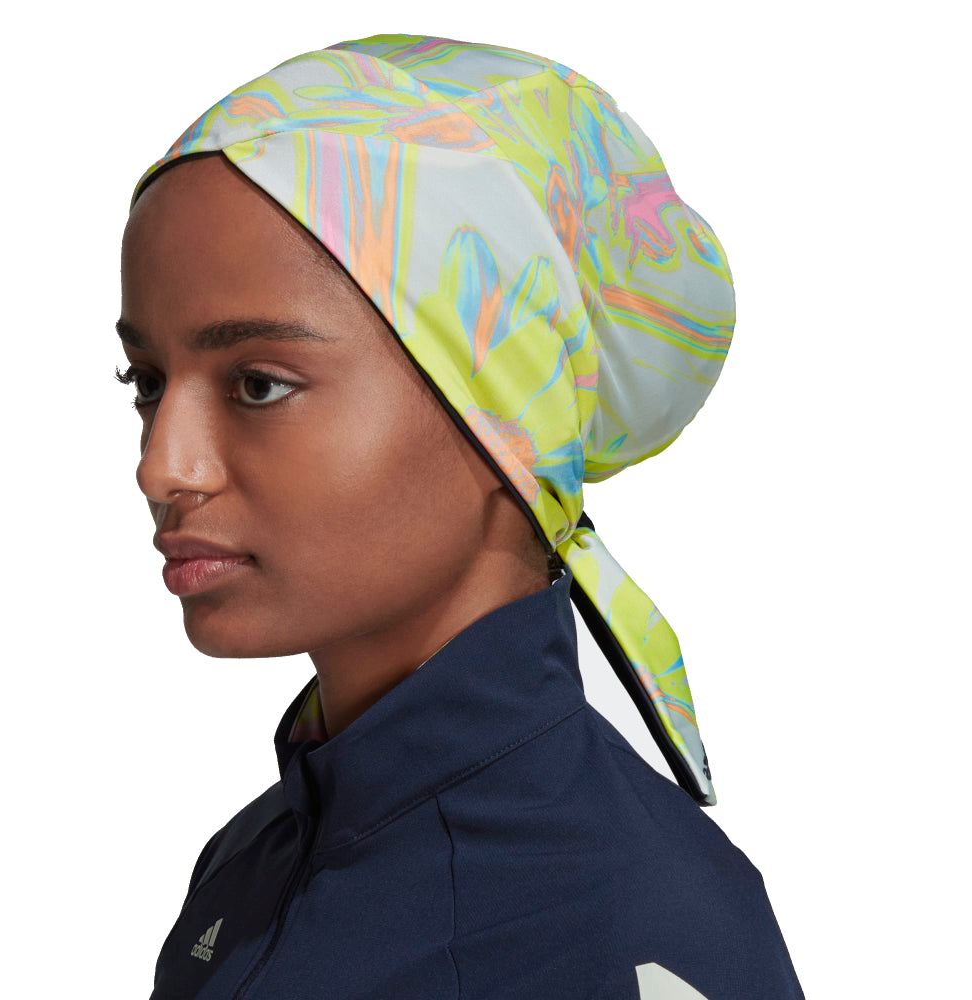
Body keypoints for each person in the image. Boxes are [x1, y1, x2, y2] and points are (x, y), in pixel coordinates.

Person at [118, 33, 806, 1000]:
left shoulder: (624, 929)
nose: (162, 466)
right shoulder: (252, 863)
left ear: (504, 415)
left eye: (259, 384)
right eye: (147, 382)